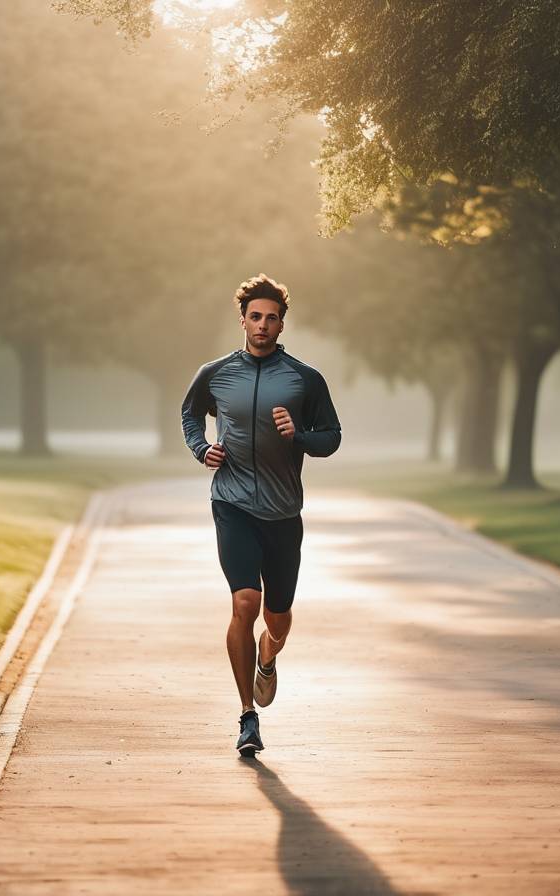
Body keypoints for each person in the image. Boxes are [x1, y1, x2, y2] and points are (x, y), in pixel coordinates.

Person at [181, 274, 342, 756]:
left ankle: (267, 659)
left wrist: (299, 436)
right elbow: (191, 414)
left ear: (282, 324)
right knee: (245, 602)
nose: (263, 325)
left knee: (277, 618)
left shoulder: (304, 379)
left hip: (283, 513)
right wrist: (200, 448)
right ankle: (247, 718)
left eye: (272, 318)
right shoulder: (215, 373)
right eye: (256, 317)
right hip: (231, 504)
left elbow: (331, 437)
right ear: (243, 320)